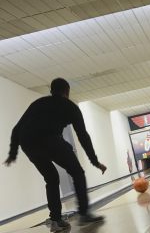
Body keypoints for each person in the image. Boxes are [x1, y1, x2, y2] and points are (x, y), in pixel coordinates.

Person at [3, 78, 107, 231]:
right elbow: (82, 135)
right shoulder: (70, 107)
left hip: (28, 144)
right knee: (77, 173)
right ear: (67, 92)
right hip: (50, 139)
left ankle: (55, 220)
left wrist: (13, 154)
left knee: (51, 178)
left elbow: (16, 129)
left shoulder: (38, 103)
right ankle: (84, 214)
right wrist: (94, 161)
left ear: (51, 91)